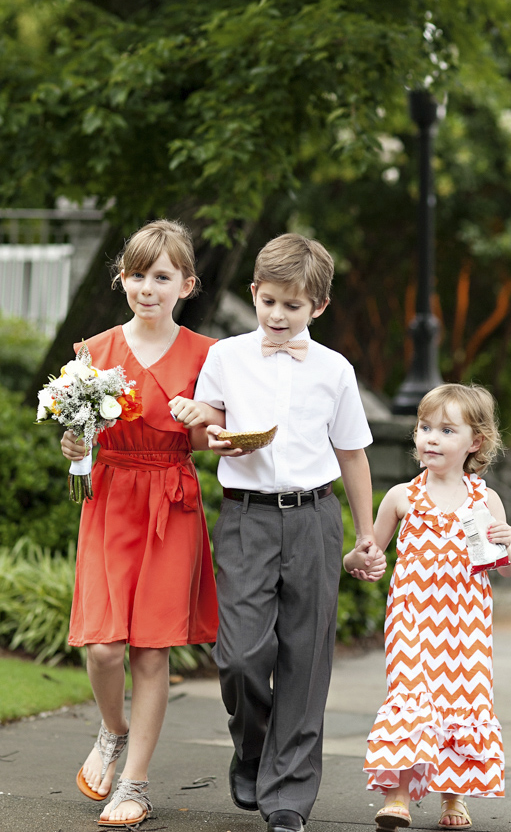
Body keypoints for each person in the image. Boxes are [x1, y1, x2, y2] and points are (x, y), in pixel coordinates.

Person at [169, 232, 387, 832]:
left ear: (317, 307)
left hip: (315, 517)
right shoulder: (226, 357)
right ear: (255, 295)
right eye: (269, 302)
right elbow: (207, 422)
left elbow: (353, 456)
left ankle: (287, 795)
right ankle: (254, 749)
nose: (277, 316)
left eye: (293, 306)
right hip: (245, 515)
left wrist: (365, 535)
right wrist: (205, 426)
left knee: (305, 656)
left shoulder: (334, 371)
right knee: (239, 655)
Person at [60, 219, 220, 828]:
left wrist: (201, 417)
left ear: (186, 284)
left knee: (152, 653)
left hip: (171, 503)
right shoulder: (93, 352)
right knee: (103, 648)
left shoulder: (208, 355)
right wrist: (75, 451)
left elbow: (216, 442)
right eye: (136, 274)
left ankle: (135, 784)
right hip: (109, 501)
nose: (146, 287)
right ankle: (112, 730)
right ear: (121, 279)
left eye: (161, 276)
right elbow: (78, 442)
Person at [344, 383, 511, 831]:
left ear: (474, 443)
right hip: (413, 621)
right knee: (409, 697)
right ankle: (397, 796)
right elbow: (367, 552)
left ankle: (453, 799)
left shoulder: (486, 500)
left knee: (459, 702)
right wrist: (360, 561)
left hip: (466, 626)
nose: (431, 438)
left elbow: (506, 568)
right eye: (425, 428)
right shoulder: (403, 497)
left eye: (446, 429)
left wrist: (508, 545)